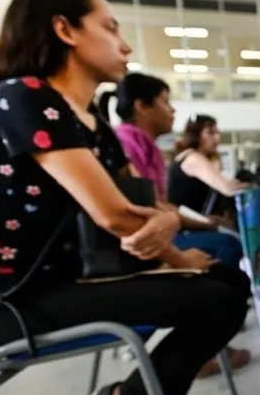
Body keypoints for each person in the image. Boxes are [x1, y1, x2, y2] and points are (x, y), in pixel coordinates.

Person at [0, 0, 248, 395]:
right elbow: (118, 215)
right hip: (20, 303)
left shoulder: (93, 125)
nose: (125, 46)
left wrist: (169, 225)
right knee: (222, 296)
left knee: (230, 283)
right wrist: (178, 255)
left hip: (75, 280)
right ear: (65, 30)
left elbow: (144, 203)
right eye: (110, 28)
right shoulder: (24, 98)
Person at [100, 73, 251, 378]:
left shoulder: (146, 146)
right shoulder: (127, 143)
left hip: (157, 238)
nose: (172, 111)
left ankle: (204, 344)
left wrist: (194, 224)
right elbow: (137, 214)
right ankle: (204, 348)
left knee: (229, 269)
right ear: (143, 106)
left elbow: (160, 206)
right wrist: (179, 257)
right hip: (136, 249)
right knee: (226, 252)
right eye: (166, 102)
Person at [167, 115, 250, 219]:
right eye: (211, 132)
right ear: (196, 135)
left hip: (194, 225)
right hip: (190, 229)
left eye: (218, 132)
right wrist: (252, 186)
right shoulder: (193, 158)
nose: (217, 137)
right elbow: (229, 189)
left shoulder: (187, 156)